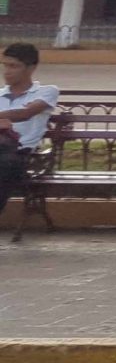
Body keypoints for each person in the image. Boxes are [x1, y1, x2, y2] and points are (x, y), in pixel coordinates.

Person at [1, 44, 61, 227]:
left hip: (23, 154)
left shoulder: (46, 91)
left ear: (31, 67)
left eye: (14, 66)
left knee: (5, 164)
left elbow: (26, 113)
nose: (7, 71)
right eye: (5, 65)